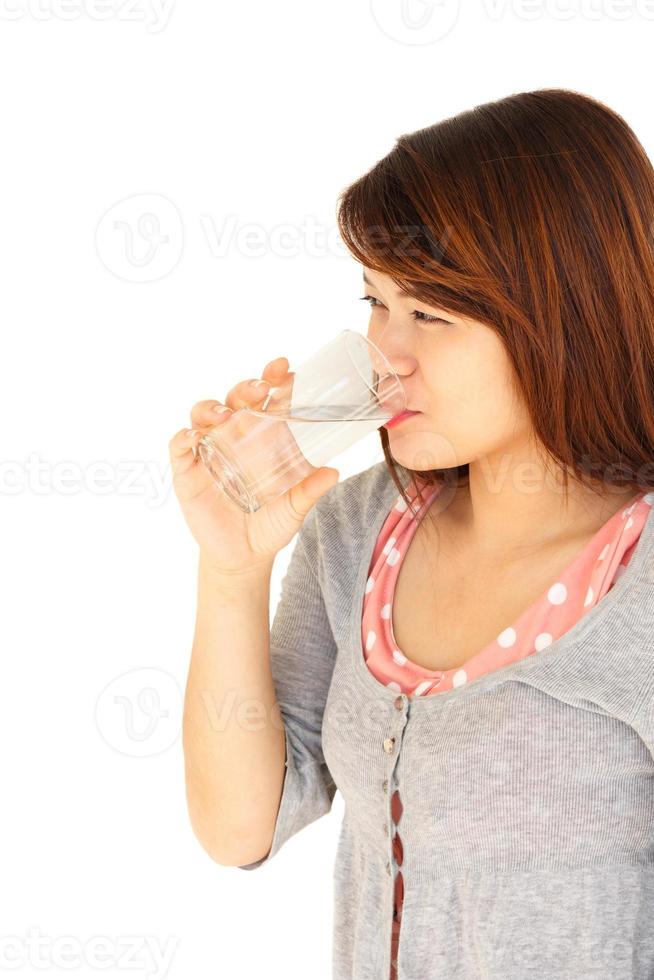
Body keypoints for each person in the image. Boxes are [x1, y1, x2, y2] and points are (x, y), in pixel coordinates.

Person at [172, 87, 654, 979]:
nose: (386, 354)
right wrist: (231, 567)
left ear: (566, 312)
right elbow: (241, 829)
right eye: (375, 301)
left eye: (430, 313)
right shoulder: (358, 528)